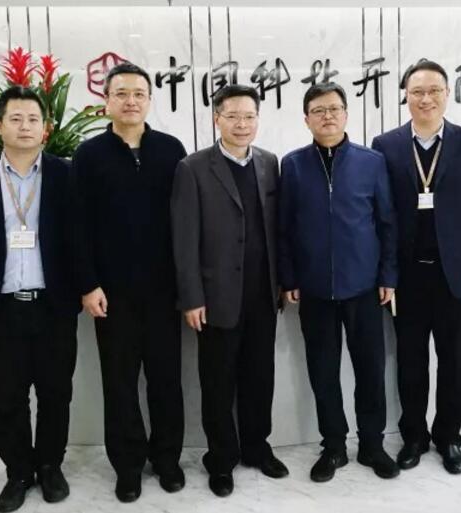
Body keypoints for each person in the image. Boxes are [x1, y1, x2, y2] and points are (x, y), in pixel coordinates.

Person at [0, 86, 79, 512]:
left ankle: (50, 466)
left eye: (33, 119)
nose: (25, 126)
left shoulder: (67, 176)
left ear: (46, 128)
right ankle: (18, 473)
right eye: (15, 118)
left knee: (56, 393)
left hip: (53, 306)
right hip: (2, 307)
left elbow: (77, 238)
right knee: (9, 397)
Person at [372, 59, 461, 474]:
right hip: (407, 275)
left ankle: (448, 438)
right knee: (410, 361)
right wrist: (386, 273)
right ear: (406, 96)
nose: (426, 99)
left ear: (447, 94)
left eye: (434, 91)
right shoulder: (386, 145)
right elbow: (382, 215)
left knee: (453, 361)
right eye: (417, 91)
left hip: (454, 274)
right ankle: (414, 437)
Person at [73, 63, 186, 501]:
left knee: (166, 379)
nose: (131, 101)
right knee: (119, 383)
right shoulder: (89, 155)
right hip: (112, 294)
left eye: (139, 93)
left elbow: (186, 221)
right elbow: (78, 226)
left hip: (164, 291)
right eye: (121, 93)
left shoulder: (171, 150)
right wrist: (88, 284)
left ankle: (167, 459)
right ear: (106, 101)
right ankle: (128, 465)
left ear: (150, 100)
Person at [171, 84, 288, 498]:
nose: (242, 124)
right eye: (233, 116)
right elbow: (184, 238)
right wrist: (191, 297)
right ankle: (220, 458)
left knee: (260, 378)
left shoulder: (269, 163)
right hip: (215, 297)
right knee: (218, 383)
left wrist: (283, 283)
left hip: (262, 295)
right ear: (216, 118)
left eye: (249, 116)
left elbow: (277, 229)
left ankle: (257, 447)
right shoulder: (192, 168)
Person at [279, 82, 399, 482]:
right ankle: (333, 446)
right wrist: (289, 276)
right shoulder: (293, 165)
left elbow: (387, 223)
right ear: (306, 119)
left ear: (346, 114)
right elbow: (284, 228)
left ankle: (372, 444)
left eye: (334, 109)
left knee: (370, 370)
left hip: (364, 287)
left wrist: (388, 276)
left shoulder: (371, 161)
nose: (327, 116)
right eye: (318, 110)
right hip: (314, 289)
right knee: (323, 371)